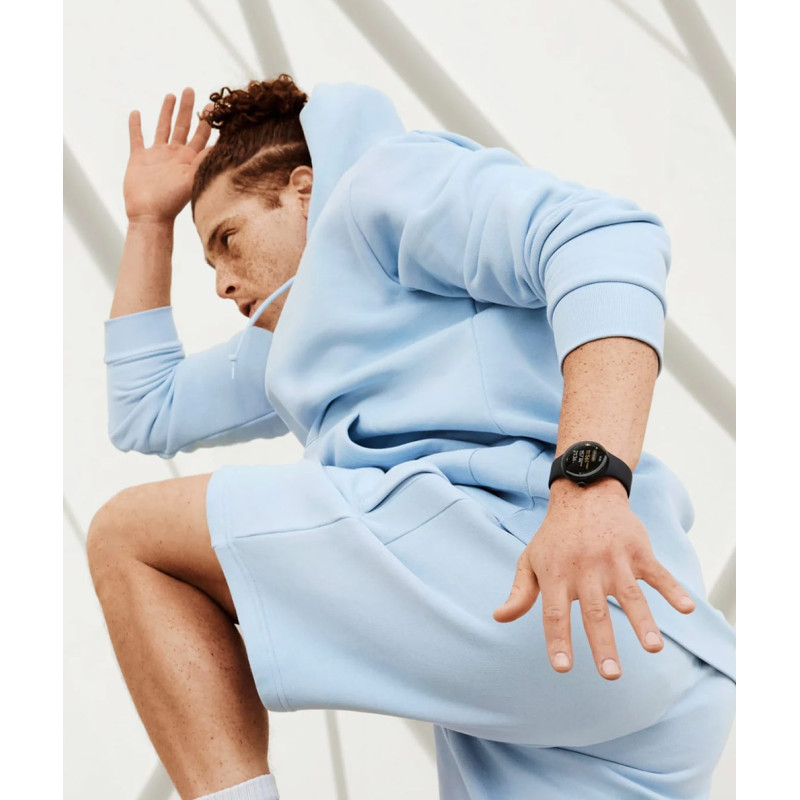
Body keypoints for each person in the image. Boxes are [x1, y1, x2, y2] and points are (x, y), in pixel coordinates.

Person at [88, 74, 736, 800]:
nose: (222, 283)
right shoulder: (292, 344)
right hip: (639, 675)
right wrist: (148, 223)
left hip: (550, 568)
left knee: (129, 537)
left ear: (303, 190)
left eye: (228, 240)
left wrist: (590, 488)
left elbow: (603, 237)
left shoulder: (378, 185)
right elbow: (147, 409)